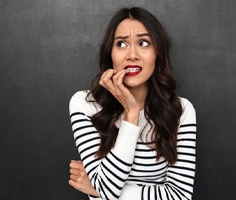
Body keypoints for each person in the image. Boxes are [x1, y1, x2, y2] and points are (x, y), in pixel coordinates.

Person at [68, 7, 196, 200]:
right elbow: (107, 189)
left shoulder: (181, 110)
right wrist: (132, 114)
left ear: (157, 53)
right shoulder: (85, 105)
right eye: (121, 44)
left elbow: (180, 196)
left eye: (143, 43)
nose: (132, 55)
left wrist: (96, 189)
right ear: (110, 53)